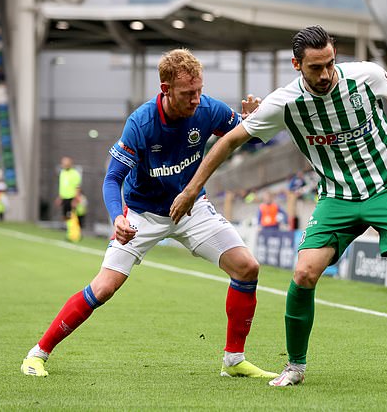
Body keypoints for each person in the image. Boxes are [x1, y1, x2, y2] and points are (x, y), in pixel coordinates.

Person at [170, 25, 387, 387]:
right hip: (336, 197)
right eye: (315, 68)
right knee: (304, 273)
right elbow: (230, 141)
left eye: (330, 64)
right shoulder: (285, 102)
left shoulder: (365, 76)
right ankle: (295, 366)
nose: (325, 74)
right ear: (297, 65)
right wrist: (191, 189)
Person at [20, 49, 278, 379]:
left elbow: (249, 140)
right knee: (104, 288)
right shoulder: (141, 124)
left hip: (191, 208)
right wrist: (118, 217)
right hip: (142, 214)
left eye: (199, 90)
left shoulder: (208, 108)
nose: (196, 99)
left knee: (246, 267)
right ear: (165, 88)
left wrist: (254, 123)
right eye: (188, 93)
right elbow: (113, 178)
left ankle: (234, 360)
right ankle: (37, 354)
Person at [56, 156, 82, 221]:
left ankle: (73, 230)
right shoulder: (62, 173)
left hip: (72, 198)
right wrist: (60, 197)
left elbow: (77, 187)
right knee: (65, 216)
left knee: (72, 216)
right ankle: (68, 229)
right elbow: (62, 186)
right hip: (64, 198)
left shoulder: (74, 173)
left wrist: (76, 199)